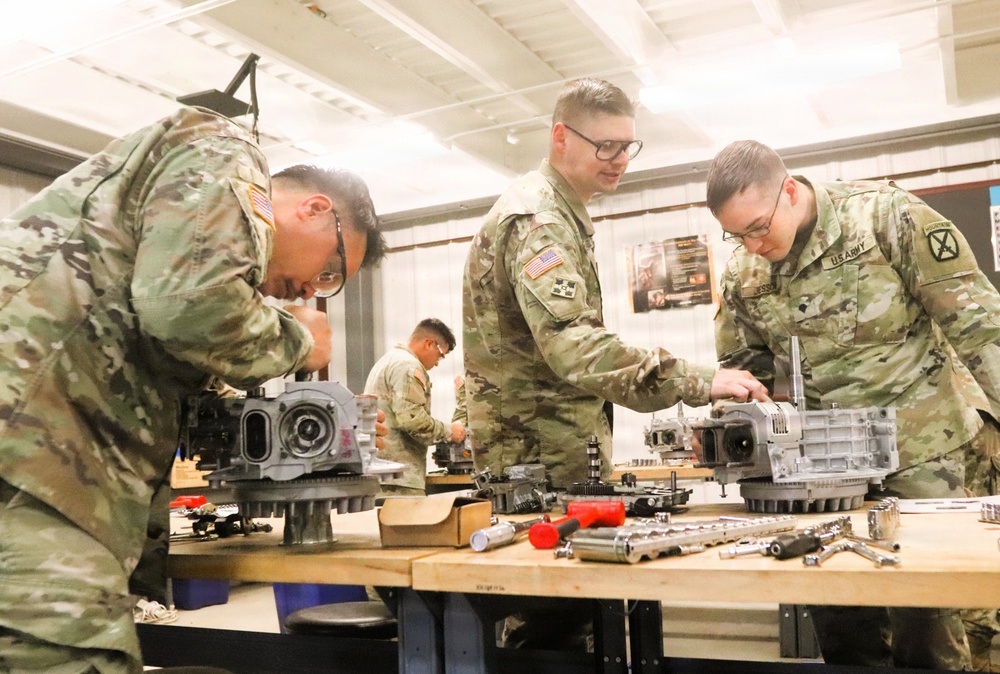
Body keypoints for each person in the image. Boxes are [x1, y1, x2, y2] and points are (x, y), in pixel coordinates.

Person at [0, 105, 387, 673]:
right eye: (329, 272)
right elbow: (187, 308)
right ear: (315, 209)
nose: (310, 288)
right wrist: (299, 341)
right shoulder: (225, 148)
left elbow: (170, 356)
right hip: (31, 467)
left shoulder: (177, 241)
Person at [461, 76, 768, 651]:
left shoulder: (560, 214)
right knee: (552, 628)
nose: (620, 160)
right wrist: (699, 380)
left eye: (628, 146)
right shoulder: (538, 220)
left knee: (568, 623)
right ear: (561, 138)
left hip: (551, 450)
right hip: (536, 459)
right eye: (606, 146)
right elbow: (575, 347)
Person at [706, 139, 1000, 670]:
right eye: (736, 234)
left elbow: (979, 326)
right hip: (822, 467)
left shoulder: (888, 217)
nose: (750, 245)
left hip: (919, 449)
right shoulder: (742, 271)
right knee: (840, 619)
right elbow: (744, 367)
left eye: (756, 227)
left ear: (789, 192)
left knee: (929, 621)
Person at [365, 318, 465, 494]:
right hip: (399, 480)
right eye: (440, 356)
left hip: (384, 475)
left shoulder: (389, 360)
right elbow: (412, 421)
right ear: (429, 344)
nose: (436, 363)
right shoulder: (408, 367)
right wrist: (451, 432)